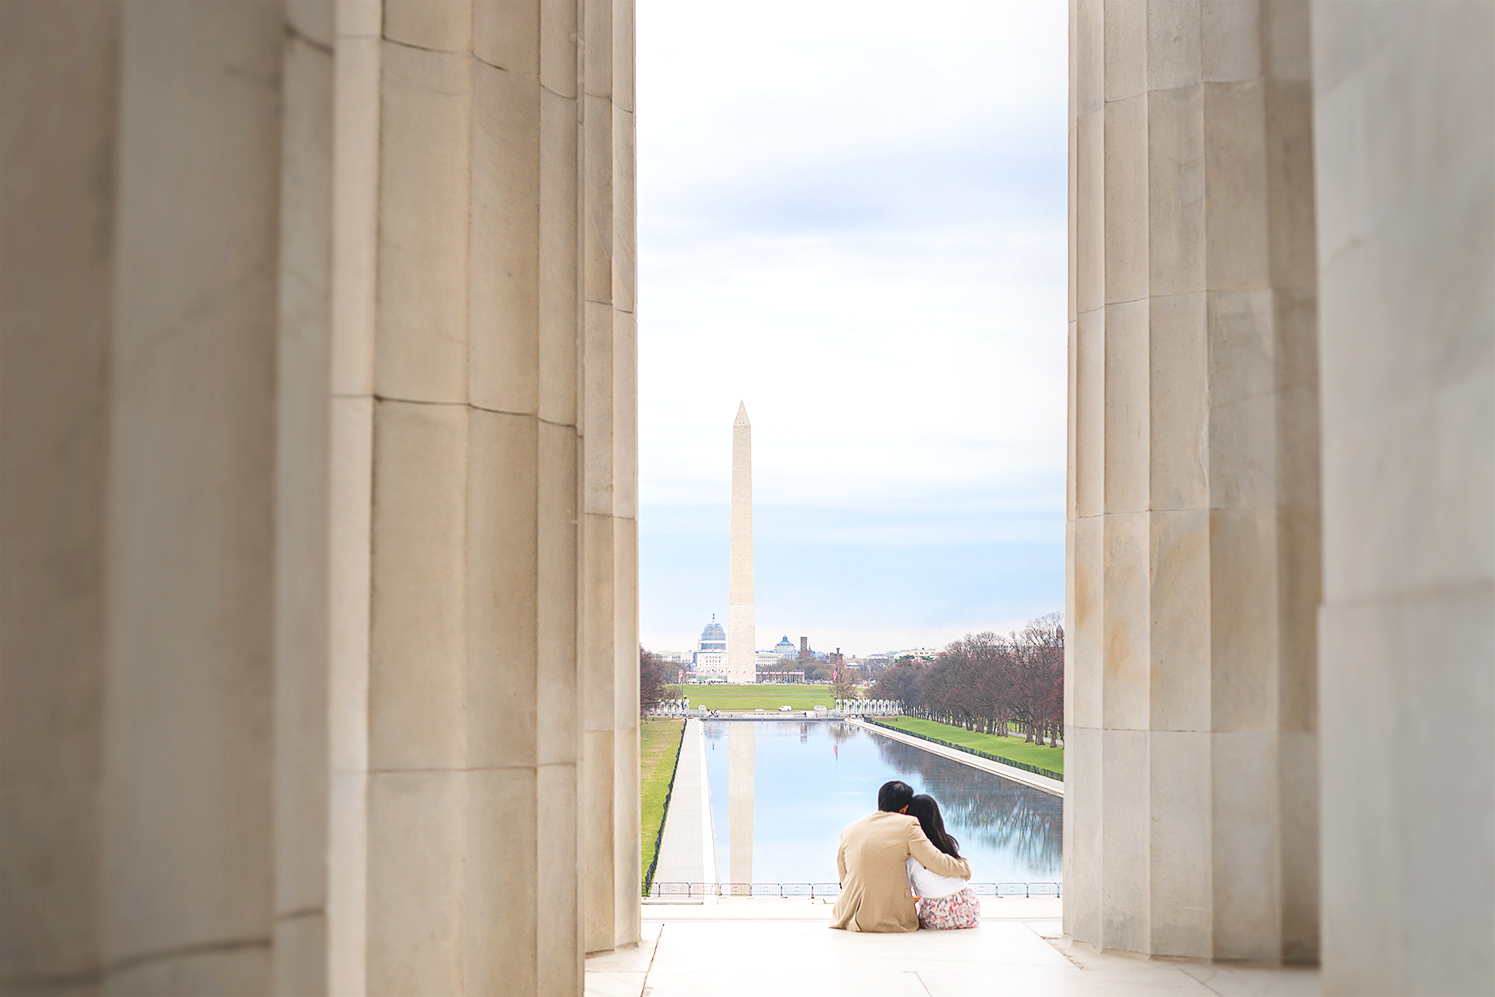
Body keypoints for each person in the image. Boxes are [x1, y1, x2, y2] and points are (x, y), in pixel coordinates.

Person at [829, 780, 972, 932]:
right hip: (888, 918)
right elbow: (936, 861)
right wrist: (964, 868)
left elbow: (843, 873)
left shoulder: (850, 829)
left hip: (848, 915)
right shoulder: (908, 825)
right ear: (904, 808)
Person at [905, 794, 980, 929]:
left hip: (938, 915)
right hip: (969, 909)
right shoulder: (947, 842)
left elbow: (906, 892)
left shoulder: (911, 855)